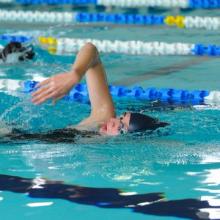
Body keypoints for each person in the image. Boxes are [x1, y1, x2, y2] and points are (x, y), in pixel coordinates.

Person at [31, 43, 169, 136]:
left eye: (121, 128)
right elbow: (91, 50)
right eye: (120, 117)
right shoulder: (102, 117)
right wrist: (76, 74)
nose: (112, 121)